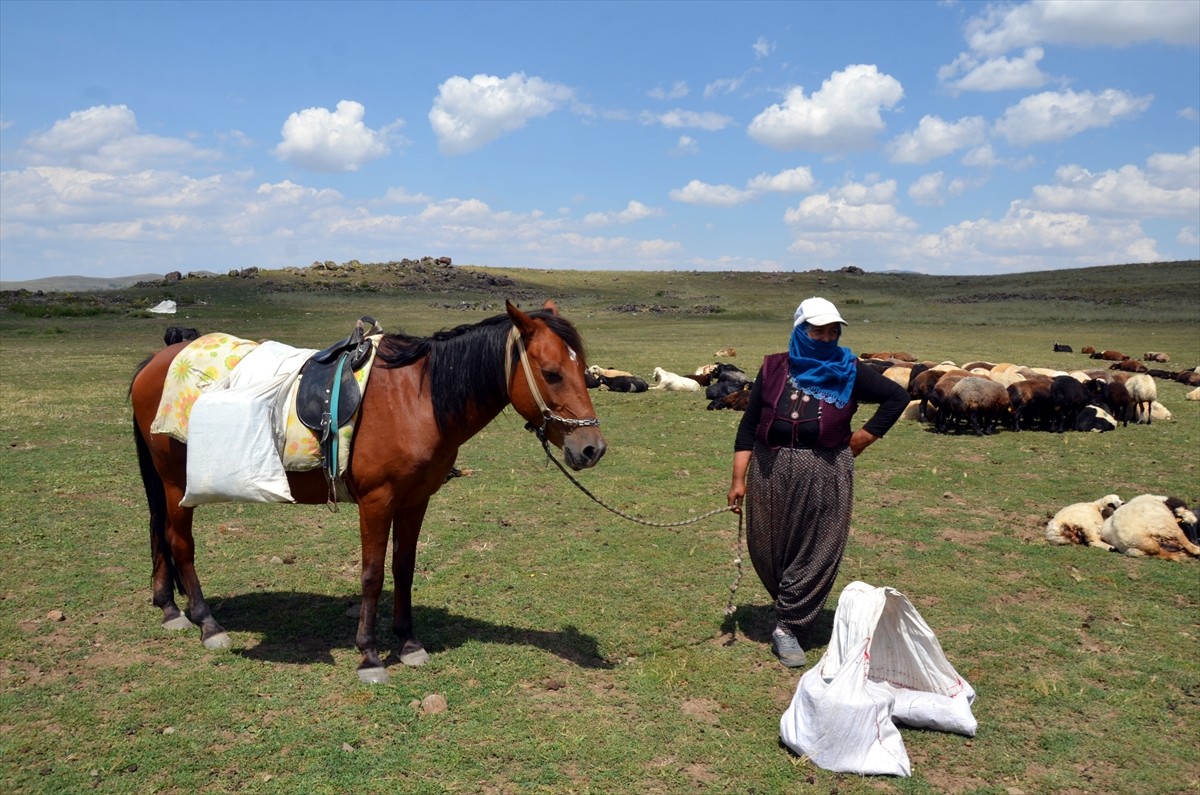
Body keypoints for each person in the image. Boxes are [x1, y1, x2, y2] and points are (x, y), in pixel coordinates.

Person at [727, 297, 909, 667]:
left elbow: (897, 397)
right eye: (818, 331)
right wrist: (738, 478)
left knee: (818, 544)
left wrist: (865, 436)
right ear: (800, 331)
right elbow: (749, 425)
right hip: (769, 468)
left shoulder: (849, 369)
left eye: (832, 332)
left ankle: (789, 625)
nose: (826, 339)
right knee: (767, 546)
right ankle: (790, 601)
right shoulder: (775, 367)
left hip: (826, 469)